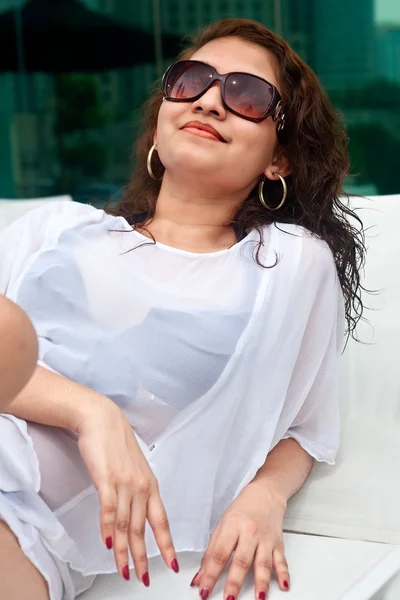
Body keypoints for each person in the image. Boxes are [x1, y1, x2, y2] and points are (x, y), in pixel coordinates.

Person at [0, 18, 365, 600]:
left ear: (281, 160)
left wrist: (264, 497)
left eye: (248, 95)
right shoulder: (56, 229)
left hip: (35, 532)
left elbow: (305, 429)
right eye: (192, 80)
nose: (212, 101)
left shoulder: (287, 265)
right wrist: (90, 412)